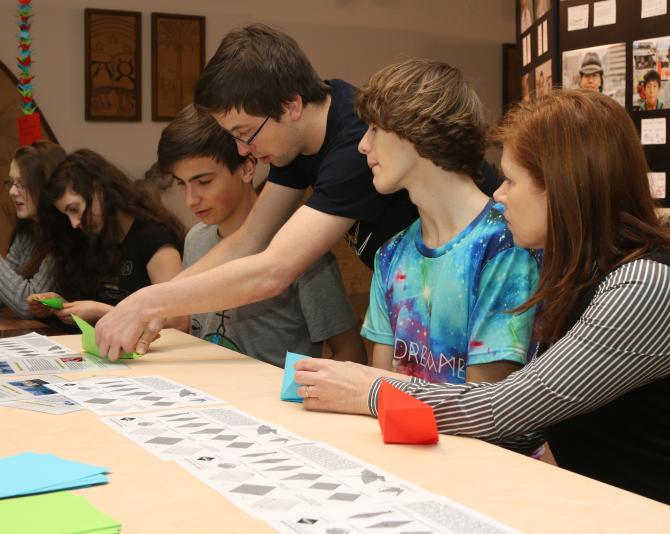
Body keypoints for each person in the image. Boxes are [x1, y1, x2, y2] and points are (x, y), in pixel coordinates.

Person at [292, 91, 670, 533]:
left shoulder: (643, 284)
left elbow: (505, 409)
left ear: (563, 189)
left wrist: (372, 389)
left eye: (513, 181)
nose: (499, 196)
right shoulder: (575, 271)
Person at [93, 24, 497, 359]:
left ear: (291, 106)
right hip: (418, 300)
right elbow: (250, 239)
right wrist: (152, 300)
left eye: (244, 133)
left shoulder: (353, 143)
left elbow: (274, 271)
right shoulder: (302, 135)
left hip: (480, 283)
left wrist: (150, 303)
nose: (242, 150)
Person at [355, 58, 538, 384]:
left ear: (415, 130)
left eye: (375, 128)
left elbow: (484, 405)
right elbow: (377, 391)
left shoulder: (506, 243)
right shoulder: (390, 255)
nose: (363, 145)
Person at [158, 104, 366, 365]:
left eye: (204, 182)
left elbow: (351, 352)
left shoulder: (299, 248)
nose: (190, 199)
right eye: (181, 183)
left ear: (247, 168)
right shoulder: (196, 239)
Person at [28, 149, 186, 328]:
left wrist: (98, 311)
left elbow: (178, 321)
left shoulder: (153, 237)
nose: (73, 223)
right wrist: (65, 306)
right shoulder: (92, 238)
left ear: (98, 190)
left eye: (74, 209)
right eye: (66, 214)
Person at [0, 141, 65, 318]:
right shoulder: (28, 230)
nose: (12, 192)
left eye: (21, 183)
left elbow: (28, 305)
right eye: (11, 182)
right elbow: (5, 292)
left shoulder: (66, 234)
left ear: (45, 187)